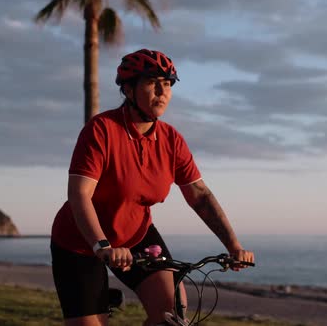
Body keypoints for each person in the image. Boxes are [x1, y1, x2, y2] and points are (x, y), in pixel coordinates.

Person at [50, 48, 255, 326]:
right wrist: (102, 246)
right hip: (80, 243)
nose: (162, 91)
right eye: (152, 82)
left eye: (168, 83)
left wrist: (233, 245)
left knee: (173, 313)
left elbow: (200, 196)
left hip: (136, 236)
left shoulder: (172, 140)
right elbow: (79, 194)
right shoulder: (102, 130)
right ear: (129, 89)